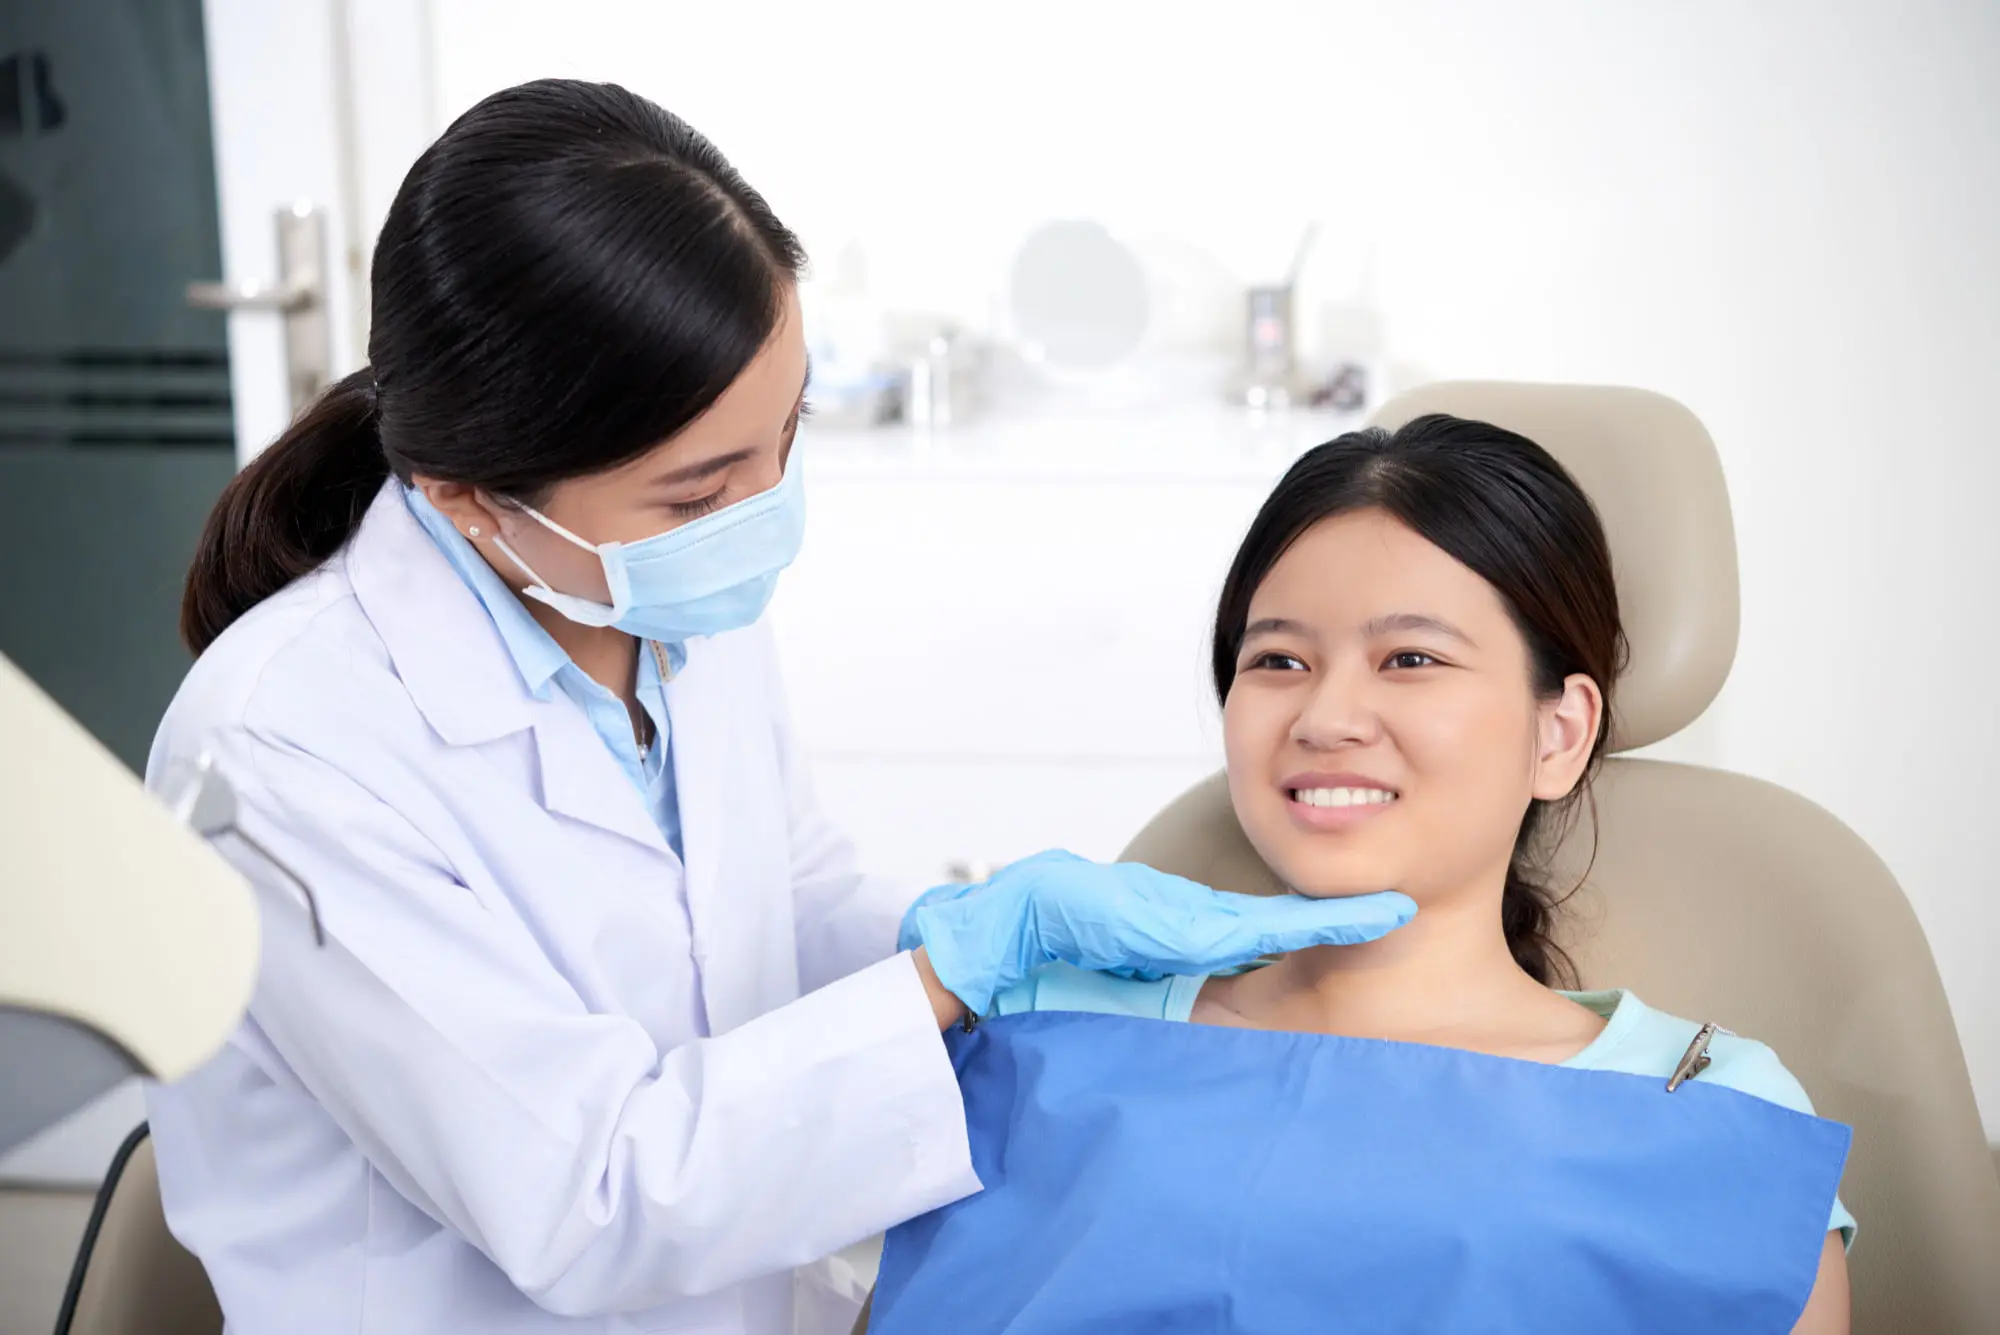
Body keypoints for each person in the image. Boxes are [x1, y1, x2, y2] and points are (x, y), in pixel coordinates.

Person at [143, 80, 1415, 1335]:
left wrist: (983, 953)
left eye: (786, 435)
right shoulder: (281, 754)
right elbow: (588, 1200)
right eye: (698, 496)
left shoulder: (659, 603)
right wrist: (949, 978)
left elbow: (779, 915)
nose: (760, 518)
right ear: (469, 496)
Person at [870, 415, 1854, 1334]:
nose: (1325, 718)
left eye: (1410, 659)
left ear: (1558, 734)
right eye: (1278, 661)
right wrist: (931, 991)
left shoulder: (1715, 1114)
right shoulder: (1034, 1020)